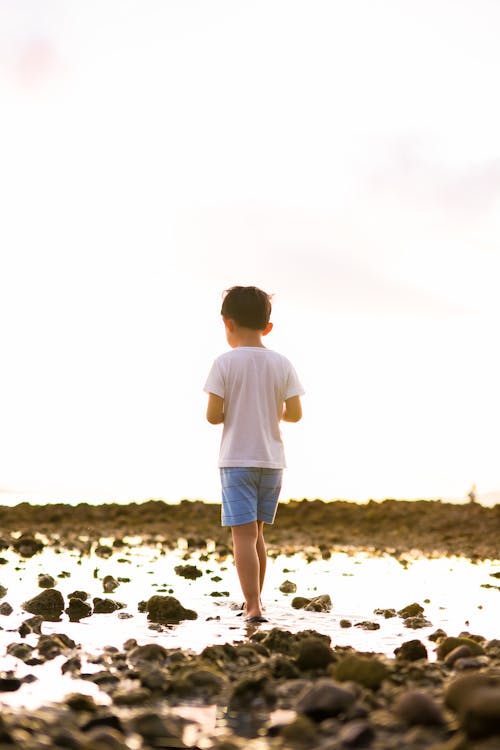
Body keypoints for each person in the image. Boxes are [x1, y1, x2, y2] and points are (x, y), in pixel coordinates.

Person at [204, 286, 304, 623]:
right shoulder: (282, 363)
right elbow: (294, 414)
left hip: (236, 460)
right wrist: (270, 410)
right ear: (268, 327)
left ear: (227, 323)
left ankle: (252, 605)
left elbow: (213, 416)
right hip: (272, 461)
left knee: (242, 536)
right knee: (258, 534)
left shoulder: (224, 363)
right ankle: (256, 600)